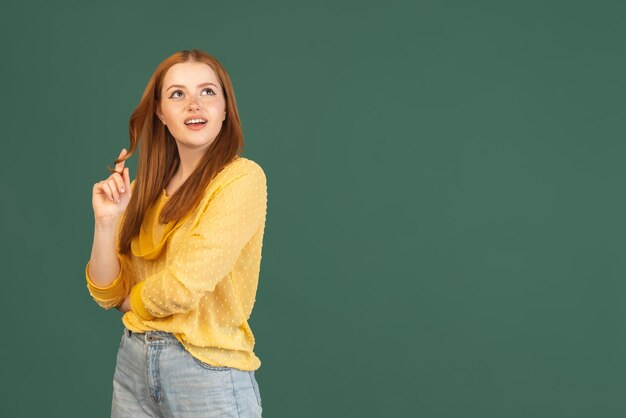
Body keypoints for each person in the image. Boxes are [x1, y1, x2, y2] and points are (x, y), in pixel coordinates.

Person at [85, 49, 266, 417]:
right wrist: (106, 222)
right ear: (160, 113)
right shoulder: (143, 189)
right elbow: (107, 292)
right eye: (177, 94)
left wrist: (130, 300)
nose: (194, 105)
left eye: (208, 92)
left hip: (207, 372)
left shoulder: (241, 179)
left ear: (226, 108)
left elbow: (183, 287)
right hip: (133, 364)